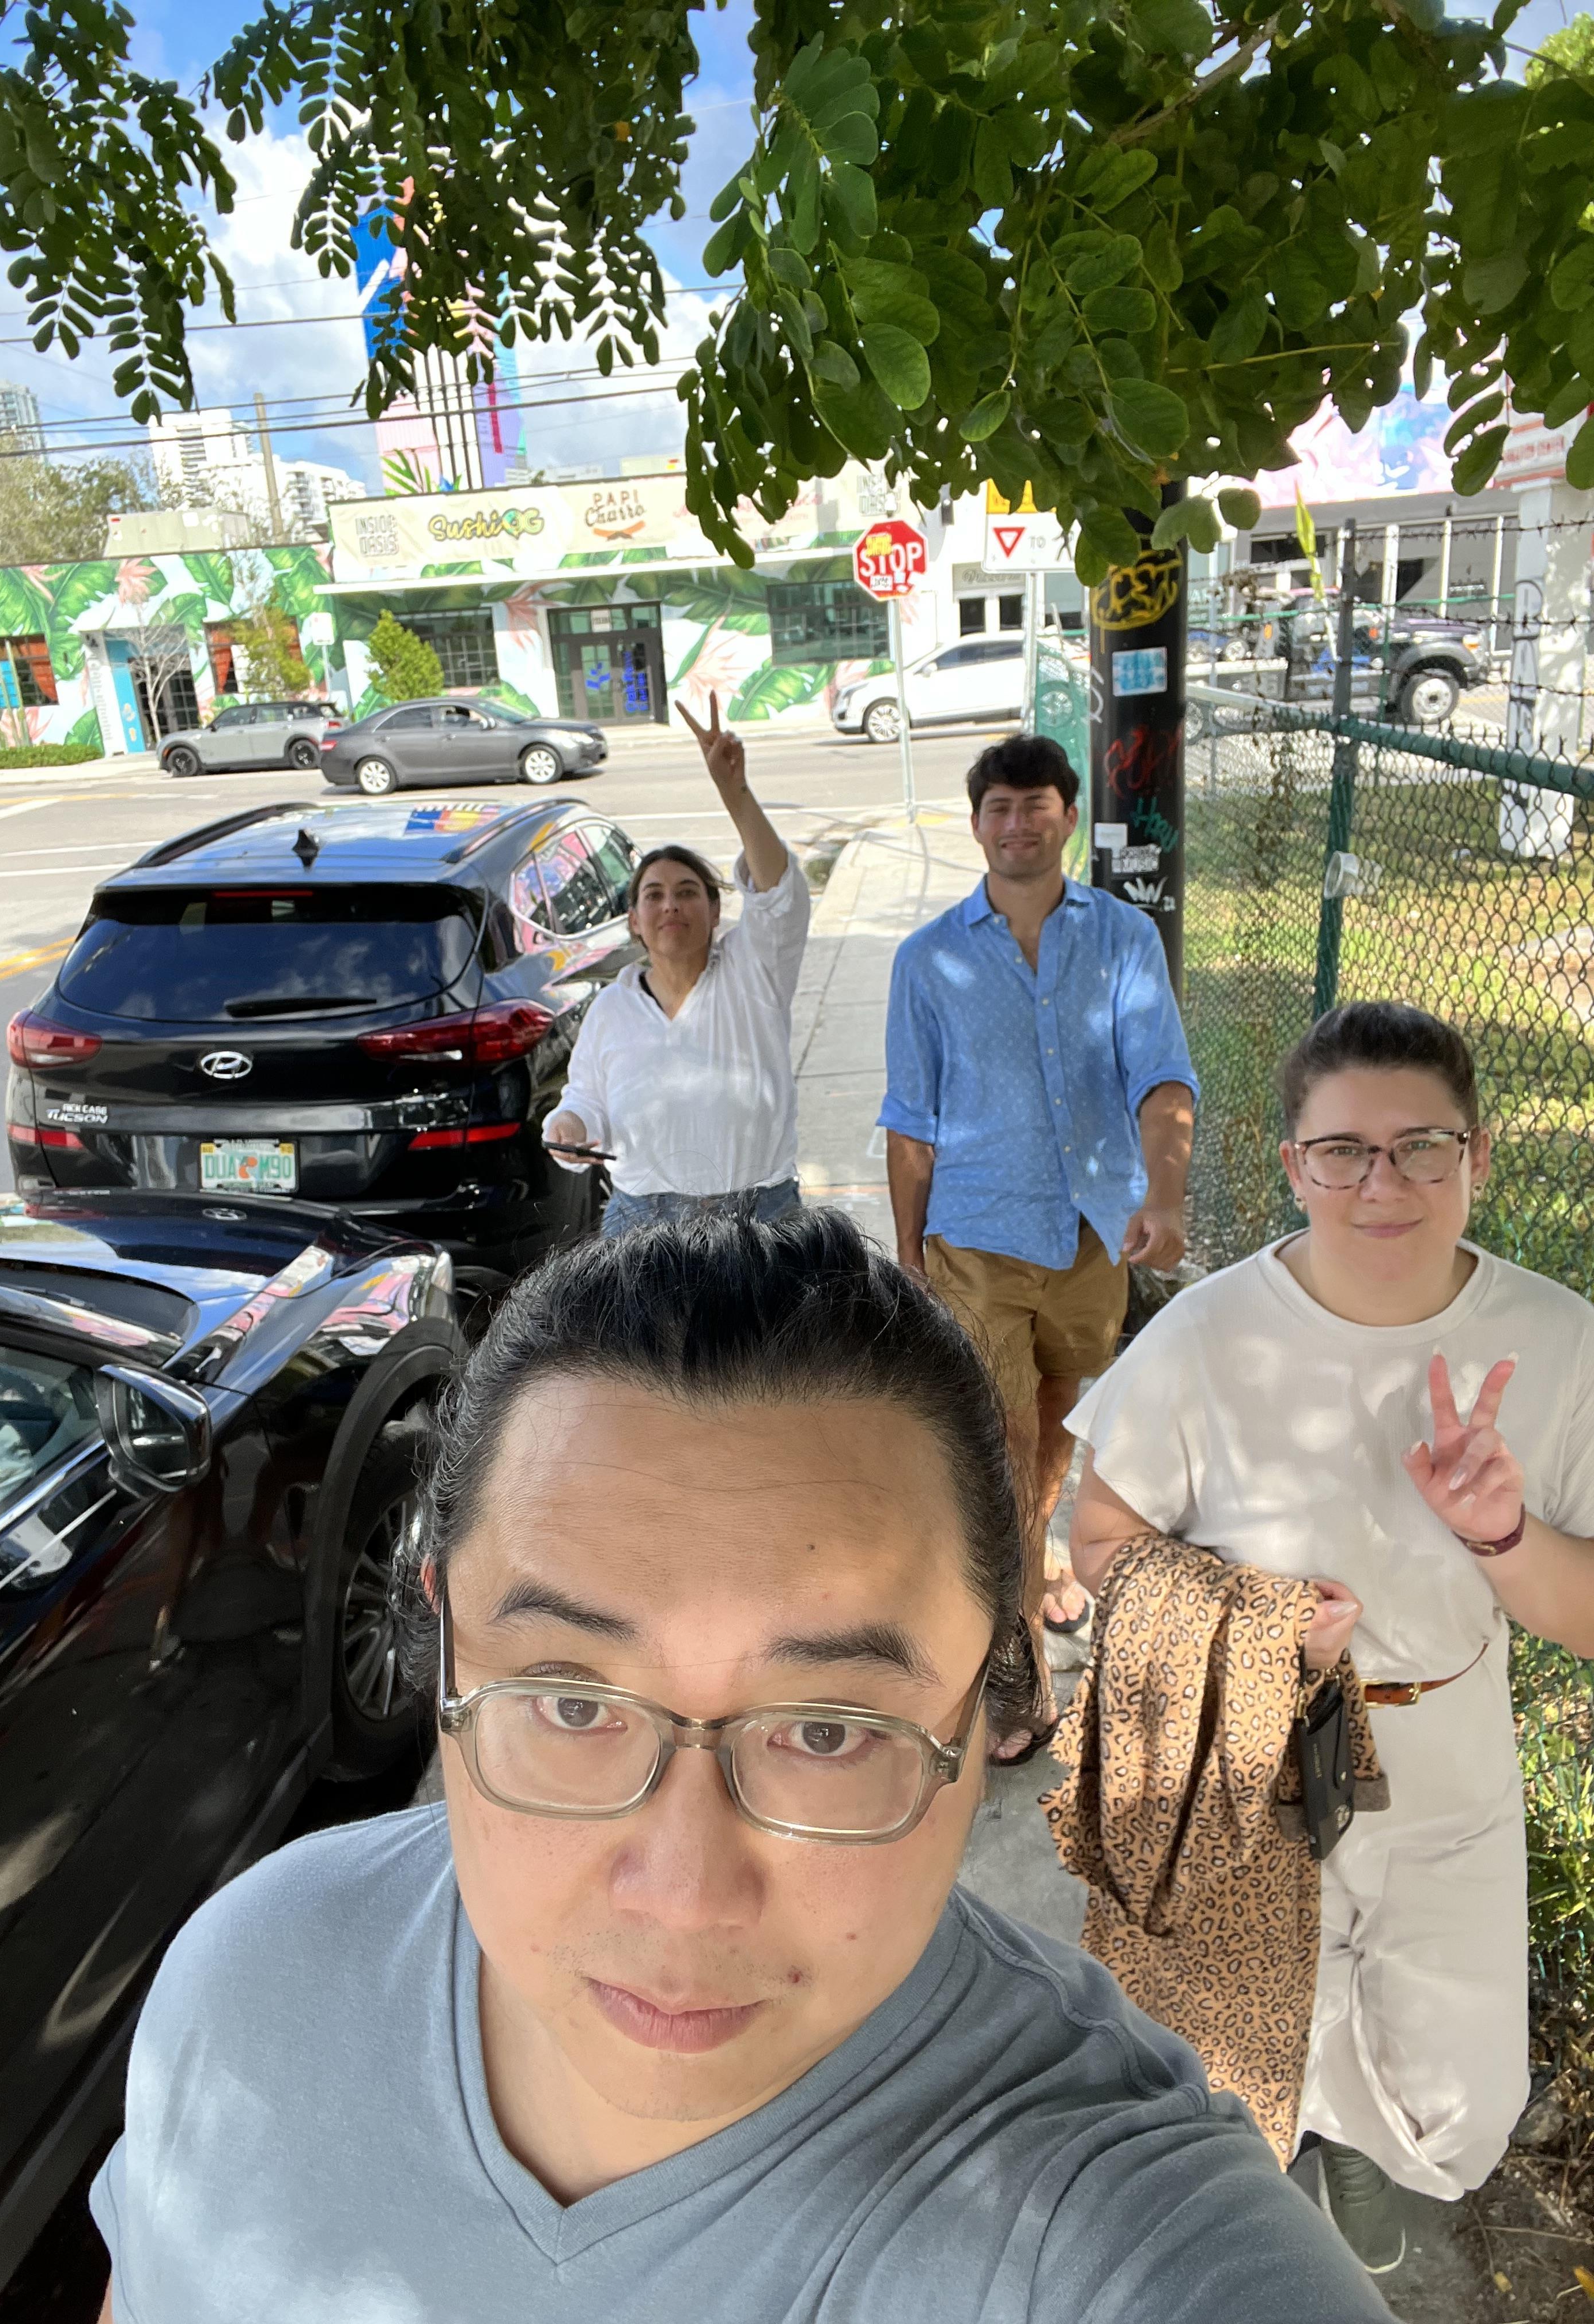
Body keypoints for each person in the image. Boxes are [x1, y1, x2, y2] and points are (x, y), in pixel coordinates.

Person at [90, 1211, 1387, 2324]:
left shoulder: (1109, 2240)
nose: (684, 1892)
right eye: (569, 1699)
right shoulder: (246, 1984)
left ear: (993, 1687)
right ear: (446, 1651)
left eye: (826, 1731)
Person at [1064, 1001, 1594, 2276]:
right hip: (1247, 1738)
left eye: (1422, 1145)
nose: (1383, 1182)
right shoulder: (1208, 1334)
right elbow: (1098, 1545)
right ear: (1292, 1162)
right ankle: (1276, 2218)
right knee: (1241, 2041)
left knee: (1451, 2069)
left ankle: (1370, 2167)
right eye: (1342, 1150)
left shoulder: (1560, 1344)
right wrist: (1253, 1619)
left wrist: (1504, 1536)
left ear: (1477, 1158)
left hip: (1442, 1742)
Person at [878, 733, 1196, 1749]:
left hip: (1092, 1233)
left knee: (1061, 1420)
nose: (1016, 824)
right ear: (973, 825)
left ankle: (1041, 1557)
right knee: (1002, 1439)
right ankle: (1014, 1661)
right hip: (974, 1233)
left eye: (1035, 805)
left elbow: (1160, 1076)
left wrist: (1165, 1191)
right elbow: (908, 1120)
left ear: (1066, 814)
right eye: (997, 808)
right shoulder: (925, 960)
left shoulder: (1121, 938)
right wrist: (907, 1253)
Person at [545, 693, 809, 1235]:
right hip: (643, 1224)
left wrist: (734, 793)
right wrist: (569, 1127)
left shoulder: (753, 971)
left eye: (688, 892)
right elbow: (586, 1101)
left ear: (715, 912)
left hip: (760, 1220)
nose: (671, 904)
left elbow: (780, 894)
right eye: (655, 895)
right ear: (635, 922)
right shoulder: (611, 1010)